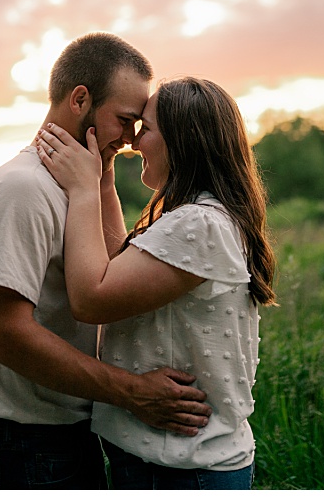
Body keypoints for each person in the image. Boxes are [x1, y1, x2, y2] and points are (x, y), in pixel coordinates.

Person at [0, 33, 213, 489]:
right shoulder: (23, 189)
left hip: (63, 440)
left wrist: (101, 181)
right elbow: (6, 335)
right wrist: (134, 392)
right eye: (124, 120)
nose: (134, 139)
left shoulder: (77, 186)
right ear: (80, 99)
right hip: (26, 450)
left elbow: (111, 276)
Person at [37, 75, 277, 490]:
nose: (133, 142)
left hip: (181, 469)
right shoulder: (199, 217)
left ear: (182, 141)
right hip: (173, 462)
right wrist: (103, 181)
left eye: (145, 129)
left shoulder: (199, 224)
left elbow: (92, 297)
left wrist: (82, 190)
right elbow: (114, 269)